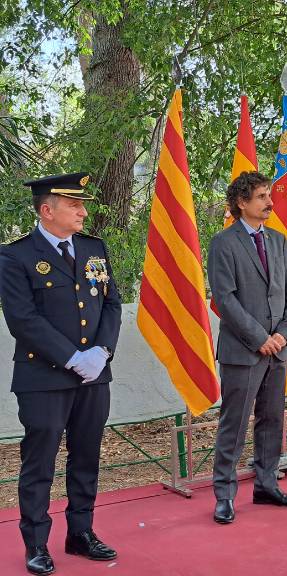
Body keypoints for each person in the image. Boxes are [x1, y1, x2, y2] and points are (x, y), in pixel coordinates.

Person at [0, 173, 122, 575]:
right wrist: (74, 358)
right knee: (40, 463)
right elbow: (23, 319)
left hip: (93, 377)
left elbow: (111, 305)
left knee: (86, 456)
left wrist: (101, 353)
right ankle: (36, 542)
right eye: (75, 206)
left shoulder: (93, 249)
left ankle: (80, 533)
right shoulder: (15, 256)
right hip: (44, 379)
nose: (84, 212)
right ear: (47, 210)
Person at [207, 171, 287, 524]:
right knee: (234, 423)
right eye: (261, 196)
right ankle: (224, 495)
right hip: (243, 351)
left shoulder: (278, 241)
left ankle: (265, 484)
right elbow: (225, 300)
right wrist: (259, 337)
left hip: (278, 349)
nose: (269, 202)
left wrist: (283, 334)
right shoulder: (223, 243)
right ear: (242, 203)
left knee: (272, 419)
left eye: (268, 195)